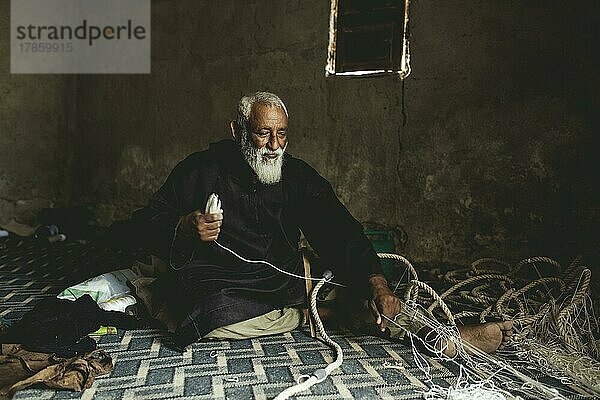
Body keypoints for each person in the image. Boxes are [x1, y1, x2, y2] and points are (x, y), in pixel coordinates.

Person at [133, 91, 512, 354]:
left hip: (287, 273)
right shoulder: (198, 171)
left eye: (281, 134)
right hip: (224, 281)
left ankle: (438, 336)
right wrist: (185, 225)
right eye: (262, 133)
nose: (273, 145)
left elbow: (339, 229)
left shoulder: (297, 176)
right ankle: (312, 317)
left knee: (371, 286)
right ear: (237, 131)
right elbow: (146, 222)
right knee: (208, 321)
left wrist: (376, 282)